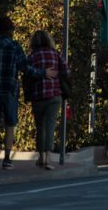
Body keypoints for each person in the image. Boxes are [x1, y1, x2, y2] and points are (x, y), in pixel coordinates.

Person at [0, 16, 56, 170]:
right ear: (10, 31)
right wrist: (43, 73)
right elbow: (25, 68)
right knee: (10, 125)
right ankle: (7, 160)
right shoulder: (14, 46)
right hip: (10, 90)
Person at [27, 30, 68, 170]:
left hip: (38, 96)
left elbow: (27, 74)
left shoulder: (32, 57)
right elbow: (66, 71)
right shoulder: (55, 54)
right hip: (54, 95)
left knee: (40, 127)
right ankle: (49, 158)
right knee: (50, 126)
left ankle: (41, 157)